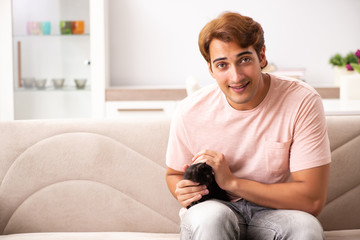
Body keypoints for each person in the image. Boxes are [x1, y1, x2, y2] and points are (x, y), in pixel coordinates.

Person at [165, 11, 331, 240]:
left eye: (244, 60)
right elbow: (173, 173)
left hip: (276, 212)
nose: (236, 77)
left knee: (306, 227)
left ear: (261, 57)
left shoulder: (301, 100)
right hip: (215, 209)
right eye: (222, 65)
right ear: (211, 69)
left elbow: (312, 200)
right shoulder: (189, 110)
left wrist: (232, 182)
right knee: (210, 218)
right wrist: (183, 190)